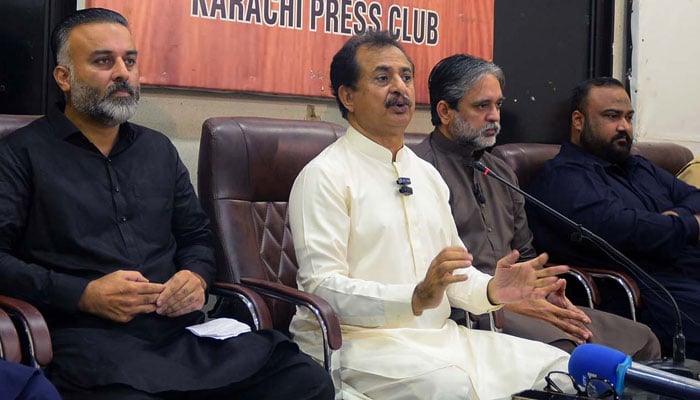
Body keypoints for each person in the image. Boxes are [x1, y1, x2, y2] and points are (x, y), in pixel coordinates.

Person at [0, 8, 333, 399]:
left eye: (130, 60)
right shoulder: (21, 154)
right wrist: (82, 293)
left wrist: (195, 277)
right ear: (64, 77)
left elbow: (196, 237)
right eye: (104, 61)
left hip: (179, 333)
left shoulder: (157, 149)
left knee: (303, 378)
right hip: (90, 341)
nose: (122, 72)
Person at [288, 30, 572, 400]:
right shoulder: (324, 176)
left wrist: (490, 289)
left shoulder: (425, 174)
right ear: (348, 96)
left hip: (441, 339)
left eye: (406, 77)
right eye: (382, 77)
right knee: (450, 386)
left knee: (561, 369)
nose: (400, 88)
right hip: (359, 345)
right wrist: (415, 296)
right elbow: (321, 287)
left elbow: (454, 272)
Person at [412, 54, 661, 361]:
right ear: (445, 111)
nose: (494, 116)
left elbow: (526, 254)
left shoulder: (500, 171)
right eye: (482, 106)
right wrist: (504, 299)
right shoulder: (418, 172)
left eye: (498, 105)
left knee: (643, 340)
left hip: (525, 303)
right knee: (571, 354)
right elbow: (426, 273)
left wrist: (545, 288)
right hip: (470, 311)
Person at [527, 77, 700, 359]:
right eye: (611, 116)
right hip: (652, 294)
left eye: (628, 117)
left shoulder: (637, 165)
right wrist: (690, 224)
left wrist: (674, 219)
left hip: (686, 270)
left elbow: (694, 197)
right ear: (579, 120)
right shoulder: (564, 178)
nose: (624, 126)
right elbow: (625, 229)